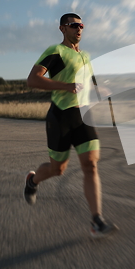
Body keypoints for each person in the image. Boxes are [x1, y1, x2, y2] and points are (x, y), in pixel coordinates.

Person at [24, 13, 117, 238]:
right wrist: (66, 86)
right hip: (60, 117)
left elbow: (87, 85)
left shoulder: (85, 56)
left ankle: (97, 220)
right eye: (74, 25)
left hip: (83, 116)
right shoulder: (56, 52)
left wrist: (100, 91)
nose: (79, 29)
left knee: (91, 165)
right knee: (58, 169)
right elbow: (33, 79)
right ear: (62, 28)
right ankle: (32, 180)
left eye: (82, 25)